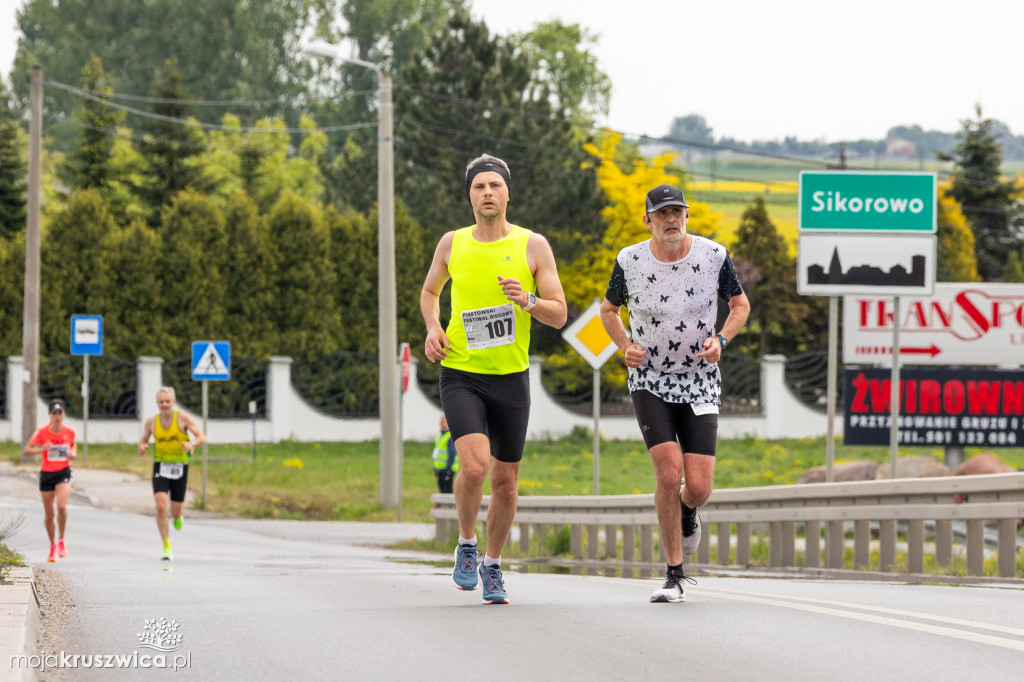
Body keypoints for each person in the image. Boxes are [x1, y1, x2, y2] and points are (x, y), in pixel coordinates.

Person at [420, 153, 567, 604]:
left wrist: (526, 300)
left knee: (505, 481)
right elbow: (430, 292)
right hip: (461, 372)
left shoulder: (532, 245)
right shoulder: (452, 243)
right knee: (475, 466)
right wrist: (433, 327)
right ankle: (467, 543)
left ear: (508, 192)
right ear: (470, 195)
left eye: (495, 186)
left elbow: (559, 313)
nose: (488, 193)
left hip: (511, 378)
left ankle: (493, 564)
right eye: (479, 186)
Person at [600, 184, 750, 603]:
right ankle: (673, 574)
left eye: (677, 212)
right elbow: (607, 311)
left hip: (700, 379)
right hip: (650, 380)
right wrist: (624, 345)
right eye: (662, 213)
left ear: (687, 217)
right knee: (668, 473)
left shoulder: (714, 256)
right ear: (647, 220)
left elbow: (740, 305)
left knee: (698, 486)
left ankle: (688, 510)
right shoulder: (629, 260)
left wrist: (722, 338)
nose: (671, 219)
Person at [137, 386, 206, 561]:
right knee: (161, 507)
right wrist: (143, 446)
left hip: (180, 466)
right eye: (161, 402)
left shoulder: (183, 418)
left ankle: (177, 517)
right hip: (161, 466)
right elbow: (144, 439)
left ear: (174, 402)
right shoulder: (151, 422)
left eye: (168, 401)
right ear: (157, 403)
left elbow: (201, 436)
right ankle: (166, 546)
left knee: (175, 512)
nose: (165, 405)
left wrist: (192, 445)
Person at [23, 399, 76, 563]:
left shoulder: (70, 432)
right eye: (54, 413)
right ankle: (52, 546)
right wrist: (41, 449)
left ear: (64, 414)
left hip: (63, 472)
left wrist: (72, 453)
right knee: (49, 514)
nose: (57, 416)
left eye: (60, 413)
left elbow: (73, 446)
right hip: (46, 473)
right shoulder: (42, 432)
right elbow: (27, 450)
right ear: (50, 415)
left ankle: (61, 540)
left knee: (61, 506)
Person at [431, 415, 459, 494]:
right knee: (441, 490)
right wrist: (435, 468)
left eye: (443, 422)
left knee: (448, 491)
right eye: (440, 422)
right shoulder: (440, 435)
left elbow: (452, 453)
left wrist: (449, 469)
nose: (441, 424)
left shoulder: (450, 436)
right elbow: (437, 453)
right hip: (440, 468)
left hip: (447, 469)